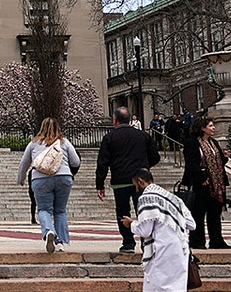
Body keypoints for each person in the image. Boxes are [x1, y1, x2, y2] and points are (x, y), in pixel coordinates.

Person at [96, 106, 160, 254]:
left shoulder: (110, 137)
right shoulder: (142, 135)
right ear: (131, 119)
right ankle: (146, 242)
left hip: (120, 179)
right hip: (141, 181)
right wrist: (144, 166)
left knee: (123, 212)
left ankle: (128, 242)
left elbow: (103, 162)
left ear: (115, 120)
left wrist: (100, 184)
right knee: (143, 211)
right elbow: (155, 156)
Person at [121, 168, 195, 292]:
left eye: (135, 186)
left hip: (161, 250)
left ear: (140, 181)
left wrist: (132, 224)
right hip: (180, 249)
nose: (136, 190)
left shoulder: (146, 198)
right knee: (177, 287)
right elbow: (192, 224)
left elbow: (145, 231)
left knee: (158, 286)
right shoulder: (172, 197)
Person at [17, 117, 81, 253]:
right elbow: (75, 162)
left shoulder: (34, 144)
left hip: (41, 178)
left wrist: (21, 179)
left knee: (44, 209)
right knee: (60, 210)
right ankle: (60, 242)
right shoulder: (64, 142)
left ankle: (49, 231)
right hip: (63, 177)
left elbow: (24, 163)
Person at [181, 115, 230, 249]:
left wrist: (224, 158)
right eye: (210, 126)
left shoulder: (213, 142)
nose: (213, 128)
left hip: (216, 183)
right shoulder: (192, 142)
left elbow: (218, 161)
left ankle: (217, 240)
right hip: (201, 183)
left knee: (215, 213)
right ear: (202, 128)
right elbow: (191, 162)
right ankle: (197, 241)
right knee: (198, 213)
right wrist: (201, 178)